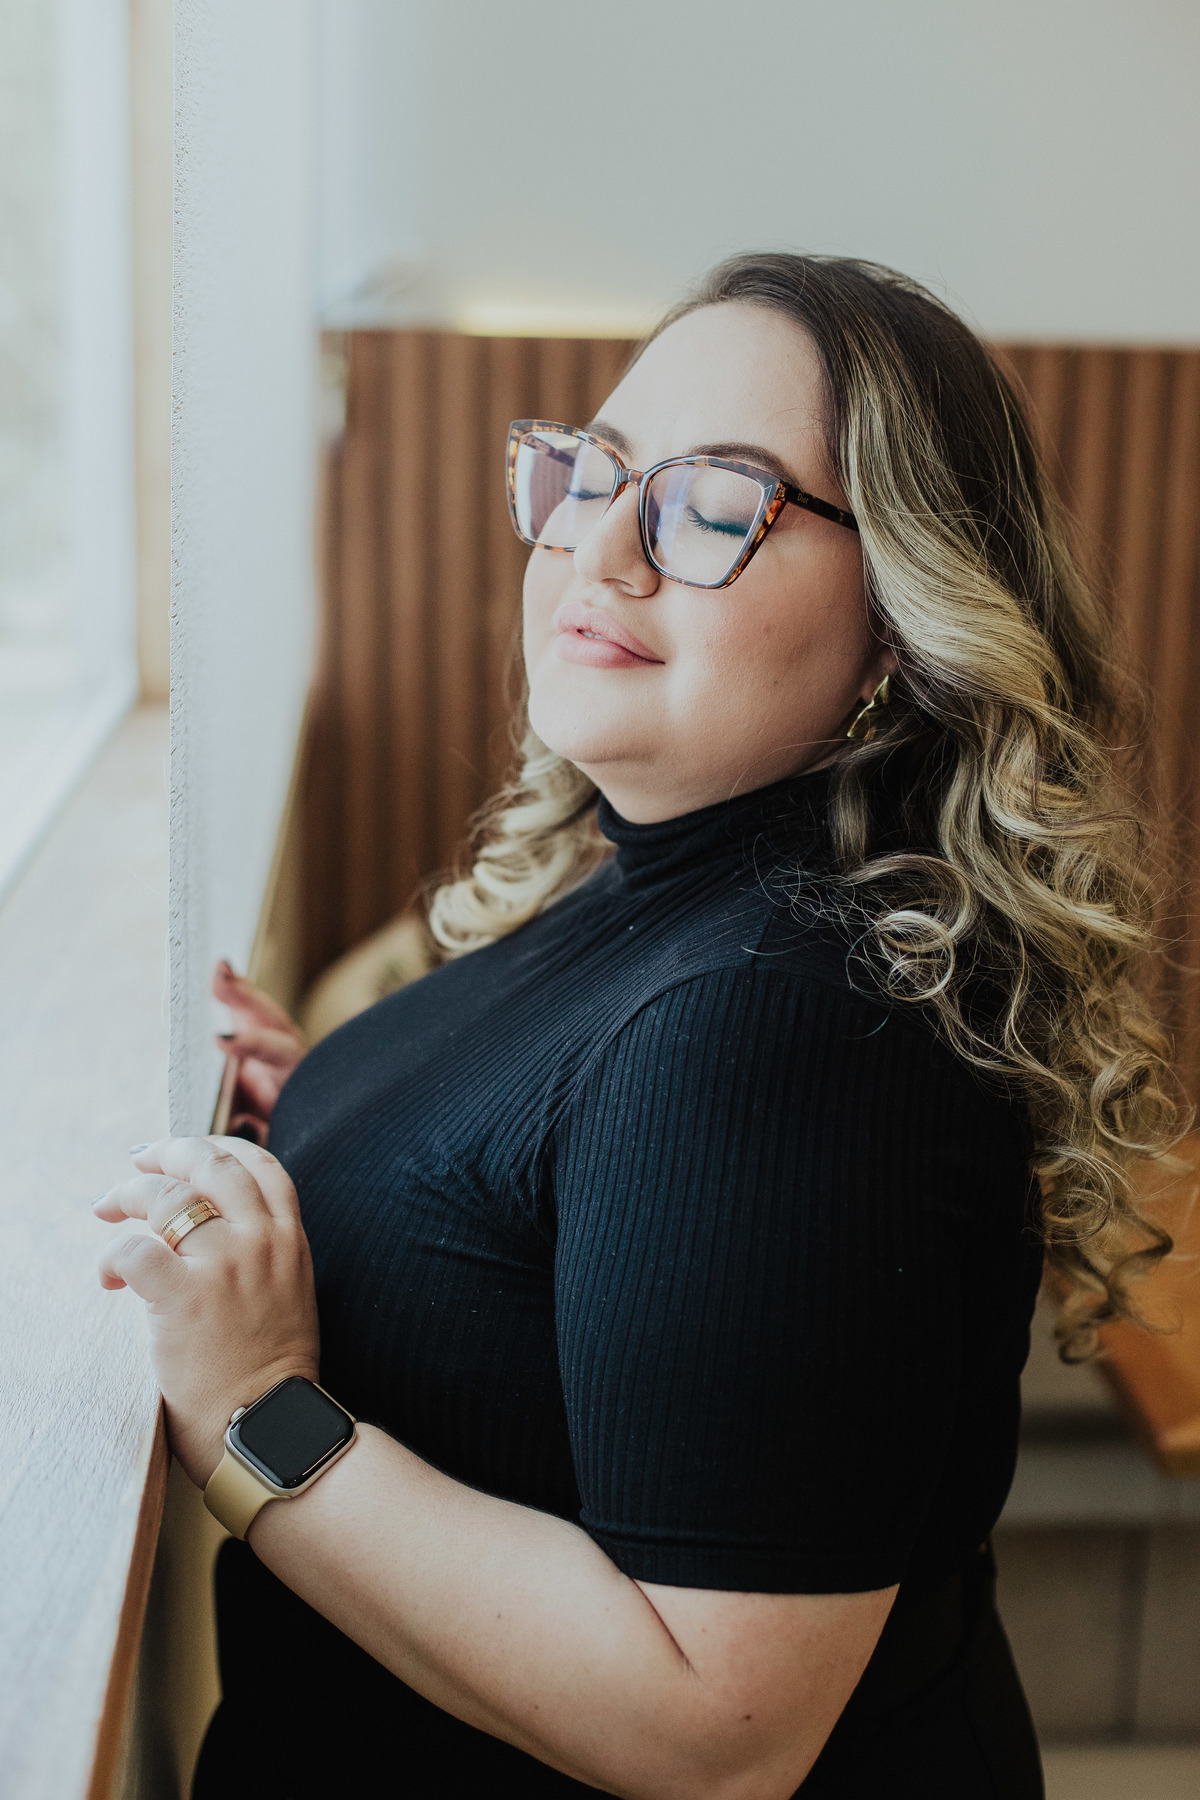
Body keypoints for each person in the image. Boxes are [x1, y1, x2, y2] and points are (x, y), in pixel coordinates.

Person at [95, 254, 1183, 1798]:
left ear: (900, 626)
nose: (600, 548)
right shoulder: (687, 869)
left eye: (714, 506)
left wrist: (249, 1408)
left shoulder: (784, 1020)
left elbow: (714, 1730)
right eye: (594, 472)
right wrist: (355, 1123)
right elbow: (575, 1171)